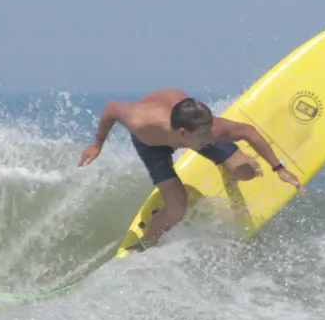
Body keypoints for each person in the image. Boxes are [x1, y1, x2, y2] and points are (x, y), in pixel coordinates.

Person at [78, 88, 303, 248]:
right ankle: (146, 243)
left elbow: (248, 131)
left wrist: (279, 169)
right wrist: (97, 143)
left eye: (211, 129)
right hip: (152, 145)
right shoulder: (142, 123)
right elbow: (111, 108)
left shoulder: (209, 130)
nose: (213, 134)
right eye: (206, 132)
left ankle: (227, 166)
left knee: (245, 172)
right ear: (184, 134)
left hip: (186, 123)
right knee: (177, 209)